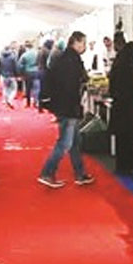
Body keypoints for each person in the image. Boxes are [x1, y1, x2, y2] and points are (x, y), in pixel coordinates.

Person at [38, 31, 94, 188]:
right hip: (68, 107)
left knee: (75, 142)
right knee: (65, 143)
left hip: (64, 106)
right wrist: (74, 108)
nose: (84, 46)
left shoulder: (64, 58)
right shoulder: (71, 61)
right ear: (76, 42)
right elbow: (70, 87)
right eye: (83, 43)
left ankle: (80, 174)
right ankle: (47, 173)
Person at [108, 39, 133, 175]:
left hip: (118, 107)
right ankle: (132, 165)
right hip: (129, 108)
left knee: (121, 139)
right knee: (132, 138)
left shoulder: (118, 63)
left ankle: (122, 166)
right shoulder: (131, 66)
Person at [0, 43, 20, 109]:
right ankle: (10, 100)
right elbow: (15, 67)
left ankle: (6, 100)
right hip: (11, 76)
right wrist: (17, 75)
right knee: (14, 89)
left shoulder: (1, 58)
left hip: (4, 76)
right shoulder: (13, 57)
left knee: (5, 89)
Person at [34, 40, 54, 113]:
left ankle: (40, 106)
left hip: (39, 71)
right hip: (45, 72)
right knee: (46, 90)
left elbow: (36, 62)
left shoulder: (40, 51)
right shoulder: (47, 52)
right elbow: (49, 63)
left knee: (41, 89)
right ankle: (45, 106)